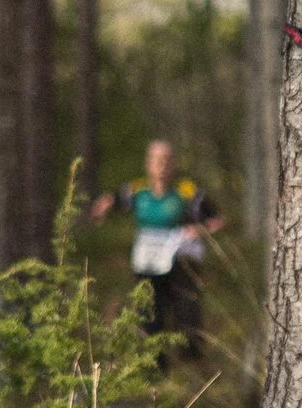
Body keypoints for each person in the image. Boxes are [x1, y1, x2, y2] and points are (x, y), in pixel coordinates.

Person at [89, 139, 224, 354]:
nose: (162, 166)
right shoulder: (137, 190)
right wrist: (100, 210)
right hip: (148, 265)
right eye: (157, 160)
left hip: (181, 265)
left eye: (167, 160)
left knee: (186, 313)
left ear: (174, 164)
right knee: (149, 314)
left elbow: (217, 219)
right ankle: (153, 367)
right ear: (148, 163)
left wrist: (197, 230)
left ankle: (192, 365)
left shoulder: (187, 191)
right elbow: (110, 201)